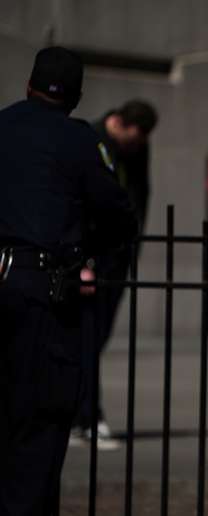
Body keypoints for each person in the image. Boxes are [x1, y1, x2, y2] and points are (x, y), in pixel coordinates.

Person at [0, 46, 137, 515]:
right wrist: (85, 252)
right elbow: (118, 216)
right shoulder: (78, 140)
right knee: (41, 422)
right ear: (76, 97)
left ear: (27, 86)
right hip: (43, 292)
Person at [70, 99, 157, 449]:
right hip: (92, 255)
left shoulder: (136, 151)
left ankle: (81, 415)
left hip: (117, 255)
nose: (135, 146)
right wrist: (85, 259)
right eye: (132, 138)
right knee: (87, 338)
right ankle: (88, 417)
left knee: (95, 338)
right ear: (117, 121)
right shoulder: (90, 140)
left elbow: (140, 196)